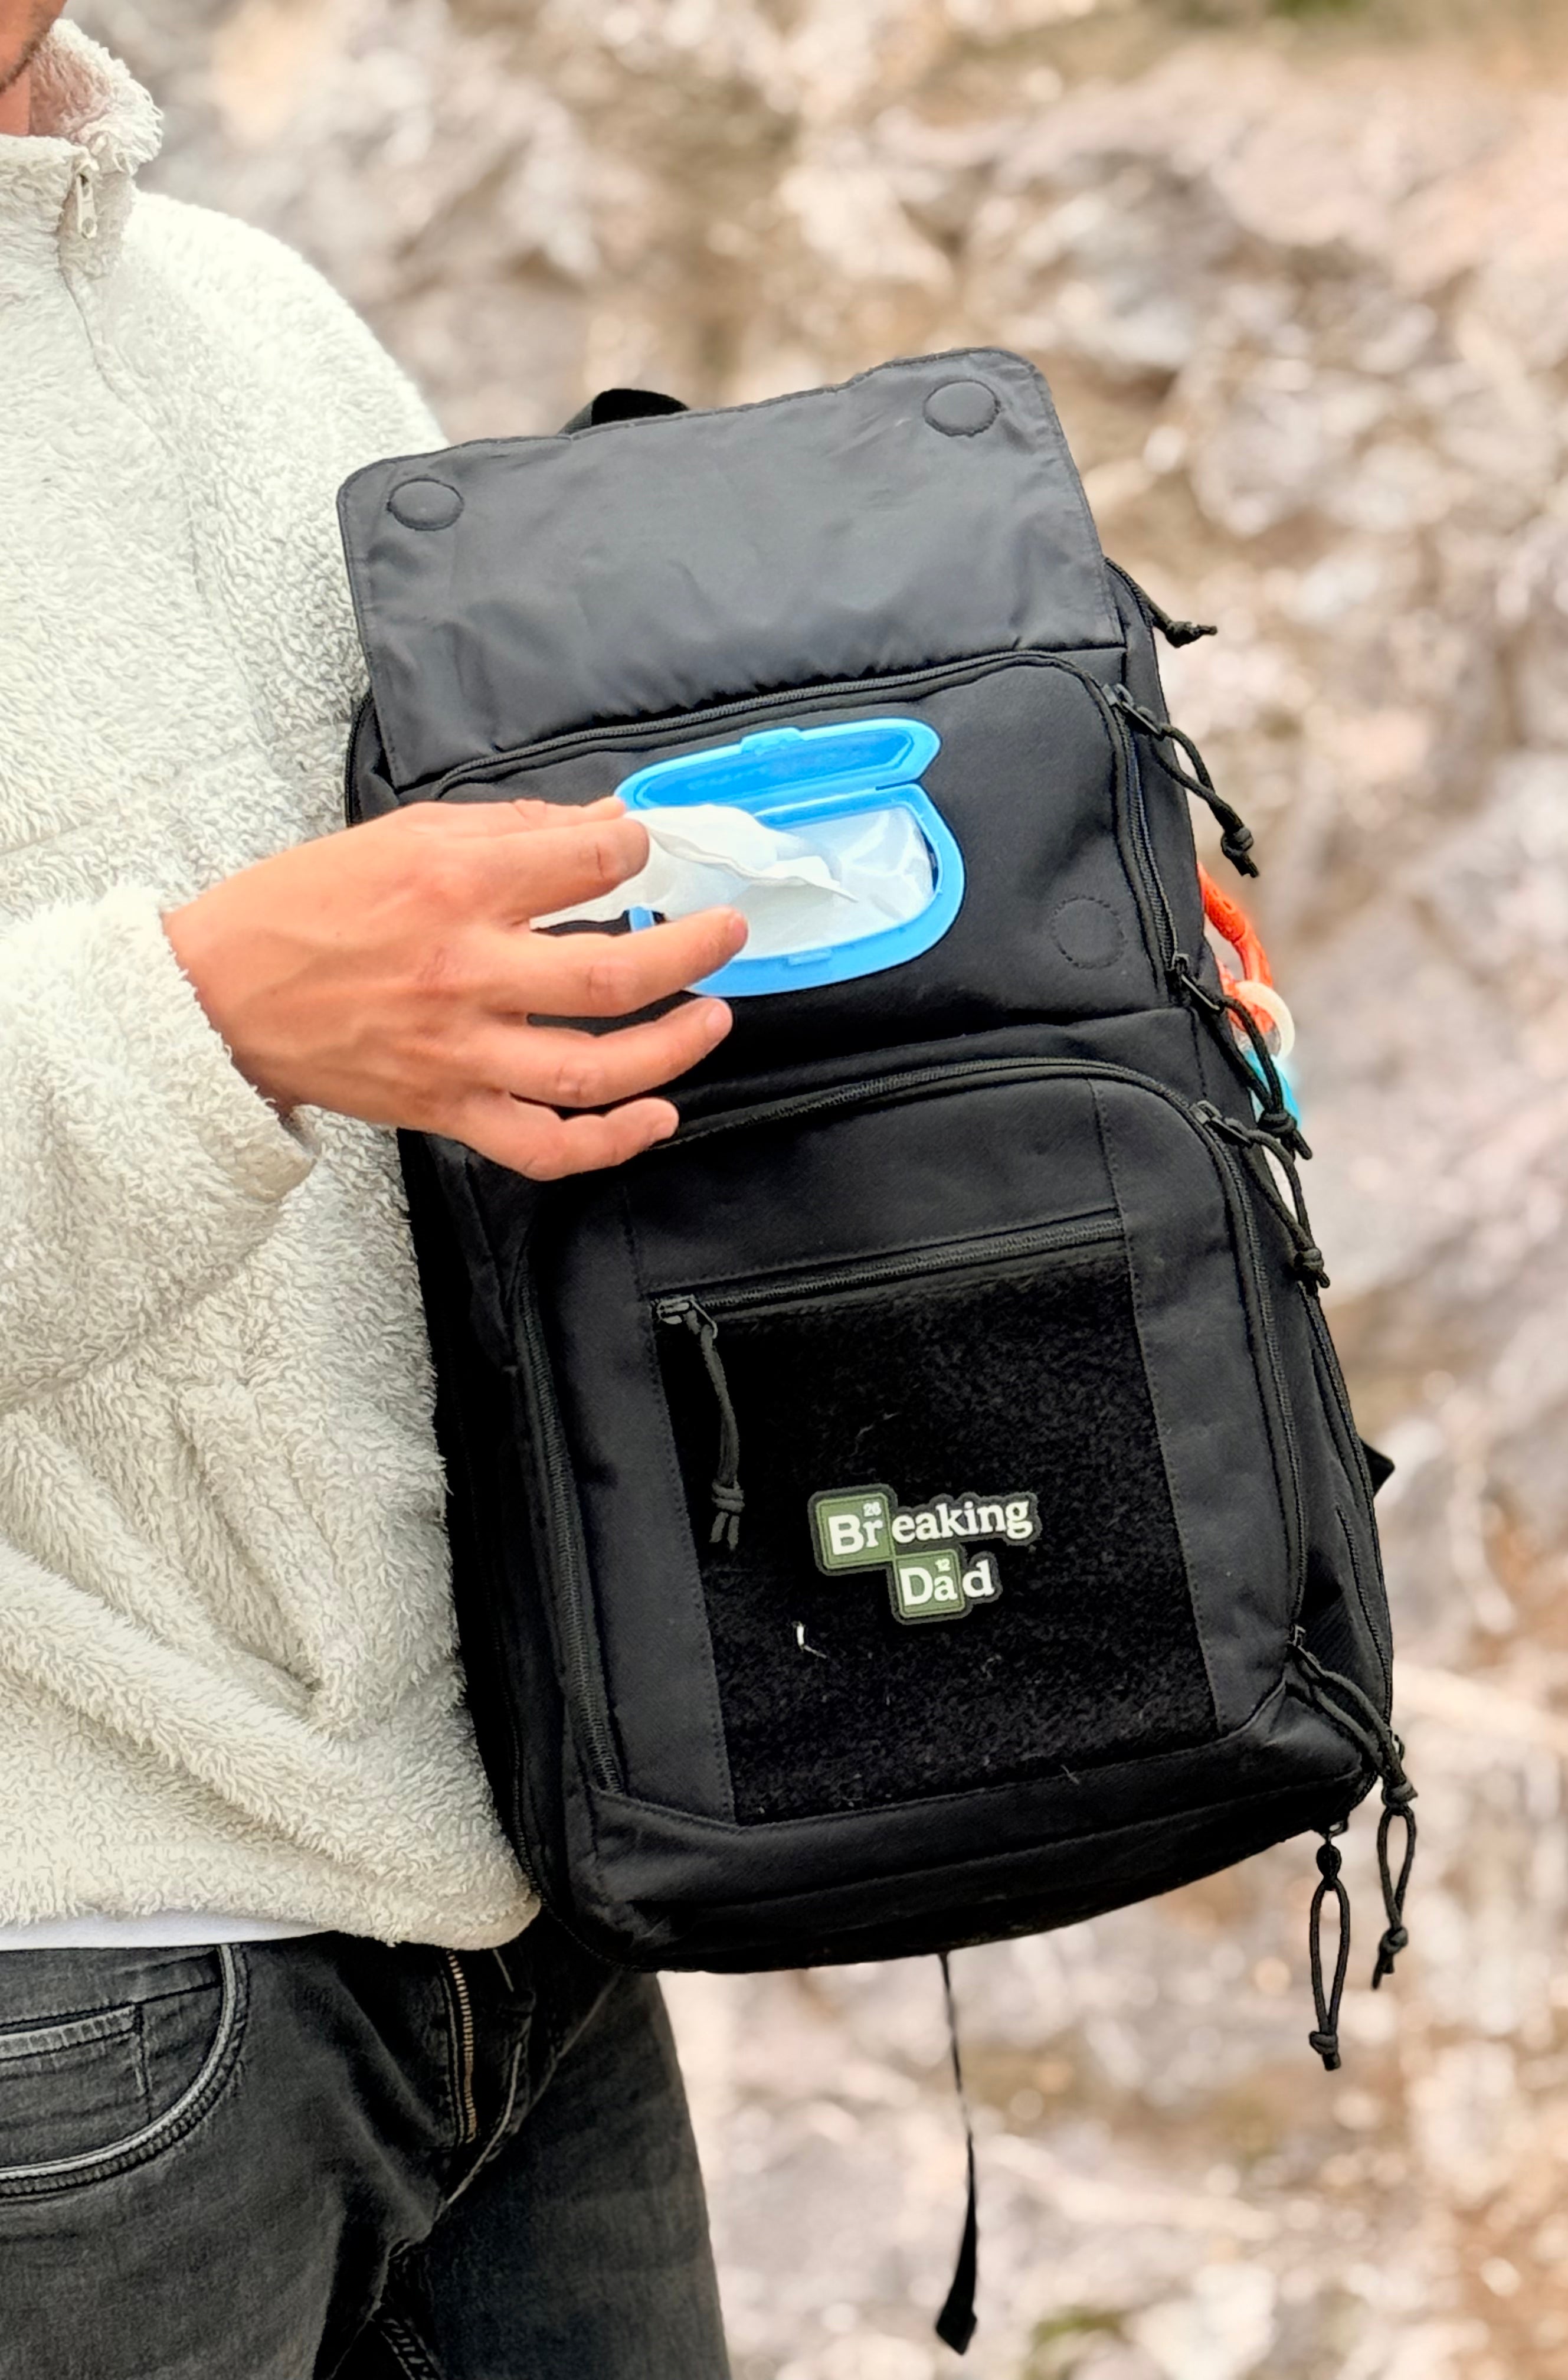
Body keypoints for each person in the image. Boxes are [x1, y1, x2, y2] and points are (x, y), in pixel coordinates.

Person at [0, 11, 744, 2374]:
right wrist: (206, 1017)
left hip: (523, 1915)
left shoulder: (254, 317)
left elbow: (483, 1000)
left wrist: (1019, 956)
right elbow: (280, 1002)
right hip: (58, 2002)